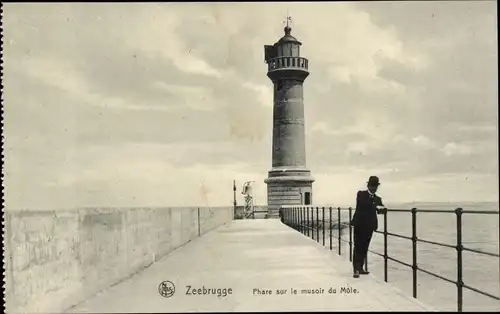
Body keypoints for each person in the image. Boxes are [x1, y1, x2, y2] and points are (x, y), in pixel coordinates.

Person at [351, 176, 387, 278]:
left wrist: (383, 209)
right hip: (359, 225)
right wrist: (376, 206)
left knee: (365, 247)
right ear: (368, 185)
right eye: (372, 186)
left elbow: (381, 209)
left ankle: (360, 268)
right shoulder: (361, 194)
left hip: (369, 227)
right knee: (358, 246)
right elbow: (364, 204)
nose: (374, 188)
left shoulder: (377, 199)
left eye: (375, 186)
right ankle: (356, 270)